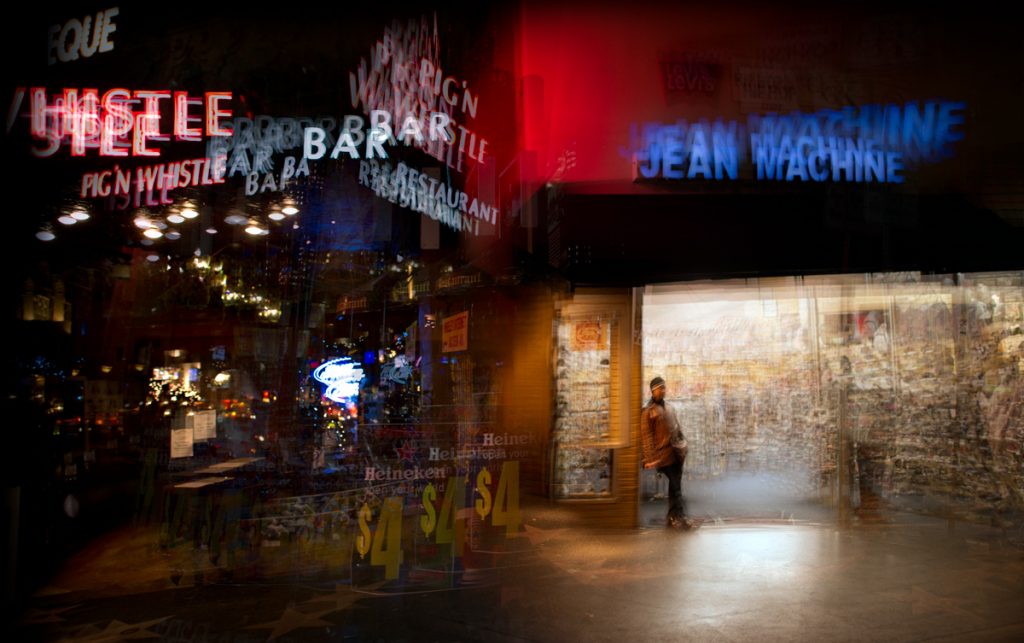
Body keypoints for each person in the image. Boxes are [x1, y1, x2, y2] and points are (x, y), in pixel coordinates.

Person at [640, 376, 694, 529]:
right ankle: (679, 517)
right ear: (653, 390)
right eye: (660, 388)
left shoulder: (670, 408)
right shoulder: (648, 411)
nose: (663, 390)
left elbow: (677, 428)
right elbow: (646, 437)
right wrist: (650, 458)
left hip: (676, 453)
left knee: (674, 486)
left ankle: (672, 517)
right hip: (663, 456)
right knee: (676, 488)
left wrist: (684, 444)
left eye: (664, 387)